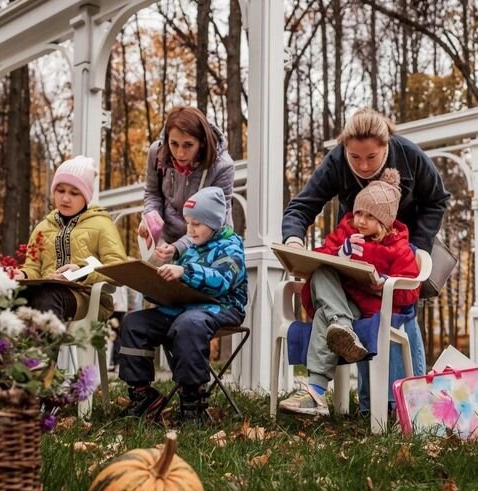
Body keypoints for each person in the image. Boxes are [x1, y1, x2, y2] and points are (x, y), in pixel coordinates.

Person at [282, 108, 450, 412]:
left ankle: (406, 402)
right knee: (346, 299)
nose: (362, 165)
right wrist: (294, 241)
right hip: (357, 254)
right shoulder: (336, 163)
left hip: (401, 246)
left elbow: (437, 199)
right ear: (344, 147)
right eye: (354, 157)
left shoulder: (409, 155)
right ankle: (367, 401)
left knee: (399, 308)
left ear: (386, 146)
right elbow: (302, 207)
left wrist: (416, 248)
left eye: (371, 157)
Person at [279, 169, 420, 416]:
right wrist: (339, 254)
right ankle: (341, 326)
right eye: (358, 213)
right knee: (322, 272)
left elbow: (411, 291)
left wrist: (384, 283)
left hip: (368, 309)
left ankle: (316, 393)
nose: (361, 220)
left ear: (384, 221)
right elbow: (316, 260)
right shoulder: (346, 231)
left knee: (326, 316)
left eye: (369, 216)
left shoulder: (398, 247)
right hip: (340, 300)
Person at [117, 187, 247, 424]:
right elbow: (178, 288)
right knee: (135, 323)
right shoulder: (191, 249)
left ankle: (192, 401)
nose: (190, 230)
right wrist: (153, 285)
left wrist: (184, 271)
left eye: (197, 223)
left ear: (215, 222)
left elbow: (222, 281)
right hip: (183, 307)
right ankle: (143, 394)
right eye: (188, 223)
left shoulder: (232, 247)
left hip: (222, 307)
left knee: (189, 325)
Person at [14, 156, 126, 321]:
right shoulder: (43, 227)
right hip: (44, 292)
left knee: (48, 296)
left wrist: (81, 271)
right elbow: (33, 268)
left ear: (86, 196)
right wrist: (22, 274)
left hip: (86, 298)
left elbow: (119, 270)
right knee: (4, 294)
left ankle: (42, 347)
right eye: (60, 191)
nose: (65, 198)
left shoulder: (102, 224)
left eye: (74, 193)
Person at [139, 106, 236, 263]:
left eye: (188, 145)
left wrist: (178, 248)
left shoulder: (223, 166)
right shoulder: (156, 153)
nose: (180, 153)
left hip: (208, 247)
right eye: (174, 144)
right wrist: (151, 219)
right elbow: (152, 193)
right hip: (168, 241)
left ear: (202, 143)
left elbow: (215, 222)